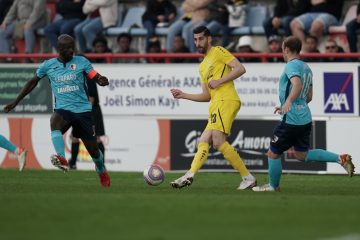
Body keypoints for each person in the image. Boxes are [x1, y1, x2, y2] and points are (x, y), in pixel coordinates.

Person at [3, 34, 111, 187]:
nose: (72, 50)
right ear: (59, 49)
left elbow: (95, 76)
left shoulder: (82, 61)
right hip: (63, 109)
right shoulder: (48, 65)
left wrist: (101, 80)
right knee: (54, 121)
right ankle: (62, 158)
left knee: (94, 151)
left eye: (73, 47)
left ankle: (101, 169)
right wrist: (16, 101)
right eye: (68, 48)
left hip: (82, 111)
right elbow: (32, 82)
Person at [253, 36, 355, 192]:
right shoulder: (307, 67)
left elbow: (297, 85)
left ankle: (273, 186)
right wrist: (289, 104)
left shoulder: (290, 65)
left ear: (286, 49)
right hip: (305, 119)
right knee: (302, 155)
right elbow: (309, 97)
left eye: (282, 49)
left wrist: (288, 103)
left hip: (291, 121)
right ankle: (340, 159)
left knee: (273, 153)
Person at [169, 26, 256, 190]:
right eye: (195, 39)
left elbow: (240, 68)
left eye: (201, 39)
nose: (197, 42)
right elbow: (206, 95)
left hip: (226, 100)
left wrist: (220, 81)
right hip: (215, 103)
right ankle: (189, 175)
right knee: (203, 141)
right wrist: (184, 95)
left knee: (218, 142)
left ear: (209, 39)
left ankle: (248, 178)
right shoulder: (202, 66)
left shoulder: (218, 51)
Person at [69, 76, 105, 170]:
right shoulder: (76, 79)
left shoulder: (88, 78)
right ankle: (72, 163)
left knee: (96, 138)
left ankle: (101, 165)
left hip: (91, 111)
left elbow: (91, 99)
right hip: (80, 111)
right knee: (75, 137)